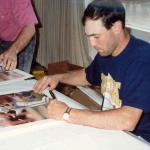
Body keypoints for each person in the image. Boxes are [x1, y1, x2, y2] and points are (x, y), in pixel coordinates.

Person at [33, 0, 150, 143]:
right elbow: (87, 75)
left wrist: (67, 113)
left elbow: (127, 120)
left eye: (96, 36)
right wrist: (58, 77)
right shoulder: (107, 51)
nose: (92, 44)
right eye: (88, 37)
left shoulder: (143, 60)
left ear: (117, 27)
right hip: (113, 131)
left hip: (140, 140)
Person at [0, 0, 38, 73]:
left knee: (18, 80)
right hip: (2, 37)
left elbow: (30, 28)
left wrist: (13, 51)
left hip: (22, 39)